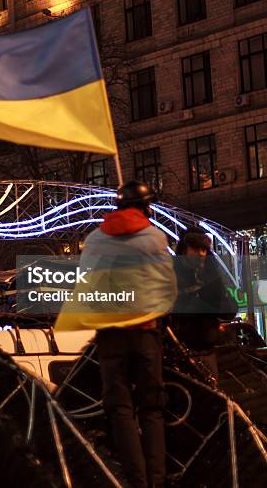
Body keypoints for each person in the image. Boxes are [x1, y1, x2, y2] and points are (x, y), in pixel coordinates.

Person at [55, 181, 177, 488]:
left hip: (110, 335)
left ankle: (136, 481)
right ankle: (157, 481)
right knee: (151, 408)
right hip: (145, 333)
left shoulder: (96, 240)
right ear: (146, 207)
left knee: (120, 409)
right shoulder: (154, 237)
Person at [172, 228, 238, 377]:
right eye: (196, 249)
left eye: (203, 249)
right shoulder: (172, 275)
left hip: (208, 347)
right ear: (184, 250)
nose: (201, 254)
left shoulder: (210, 273)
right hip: (184, 351)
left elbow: (229, 310)